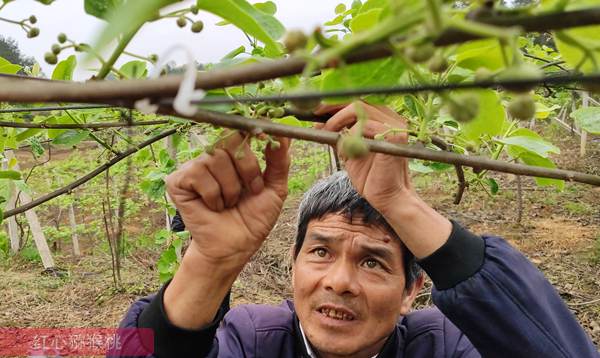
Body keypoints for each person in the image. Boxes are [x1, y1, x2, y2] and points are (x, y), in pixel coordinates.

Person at [116, 103, 598, 357]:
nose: (339, 282)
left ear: (413, 290)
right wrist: (210, 265)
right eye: (320, 252)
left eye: (373, 260)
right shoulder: (250, 339)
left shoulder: (446, 346)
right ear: (292, 266)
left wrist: (401, 202)